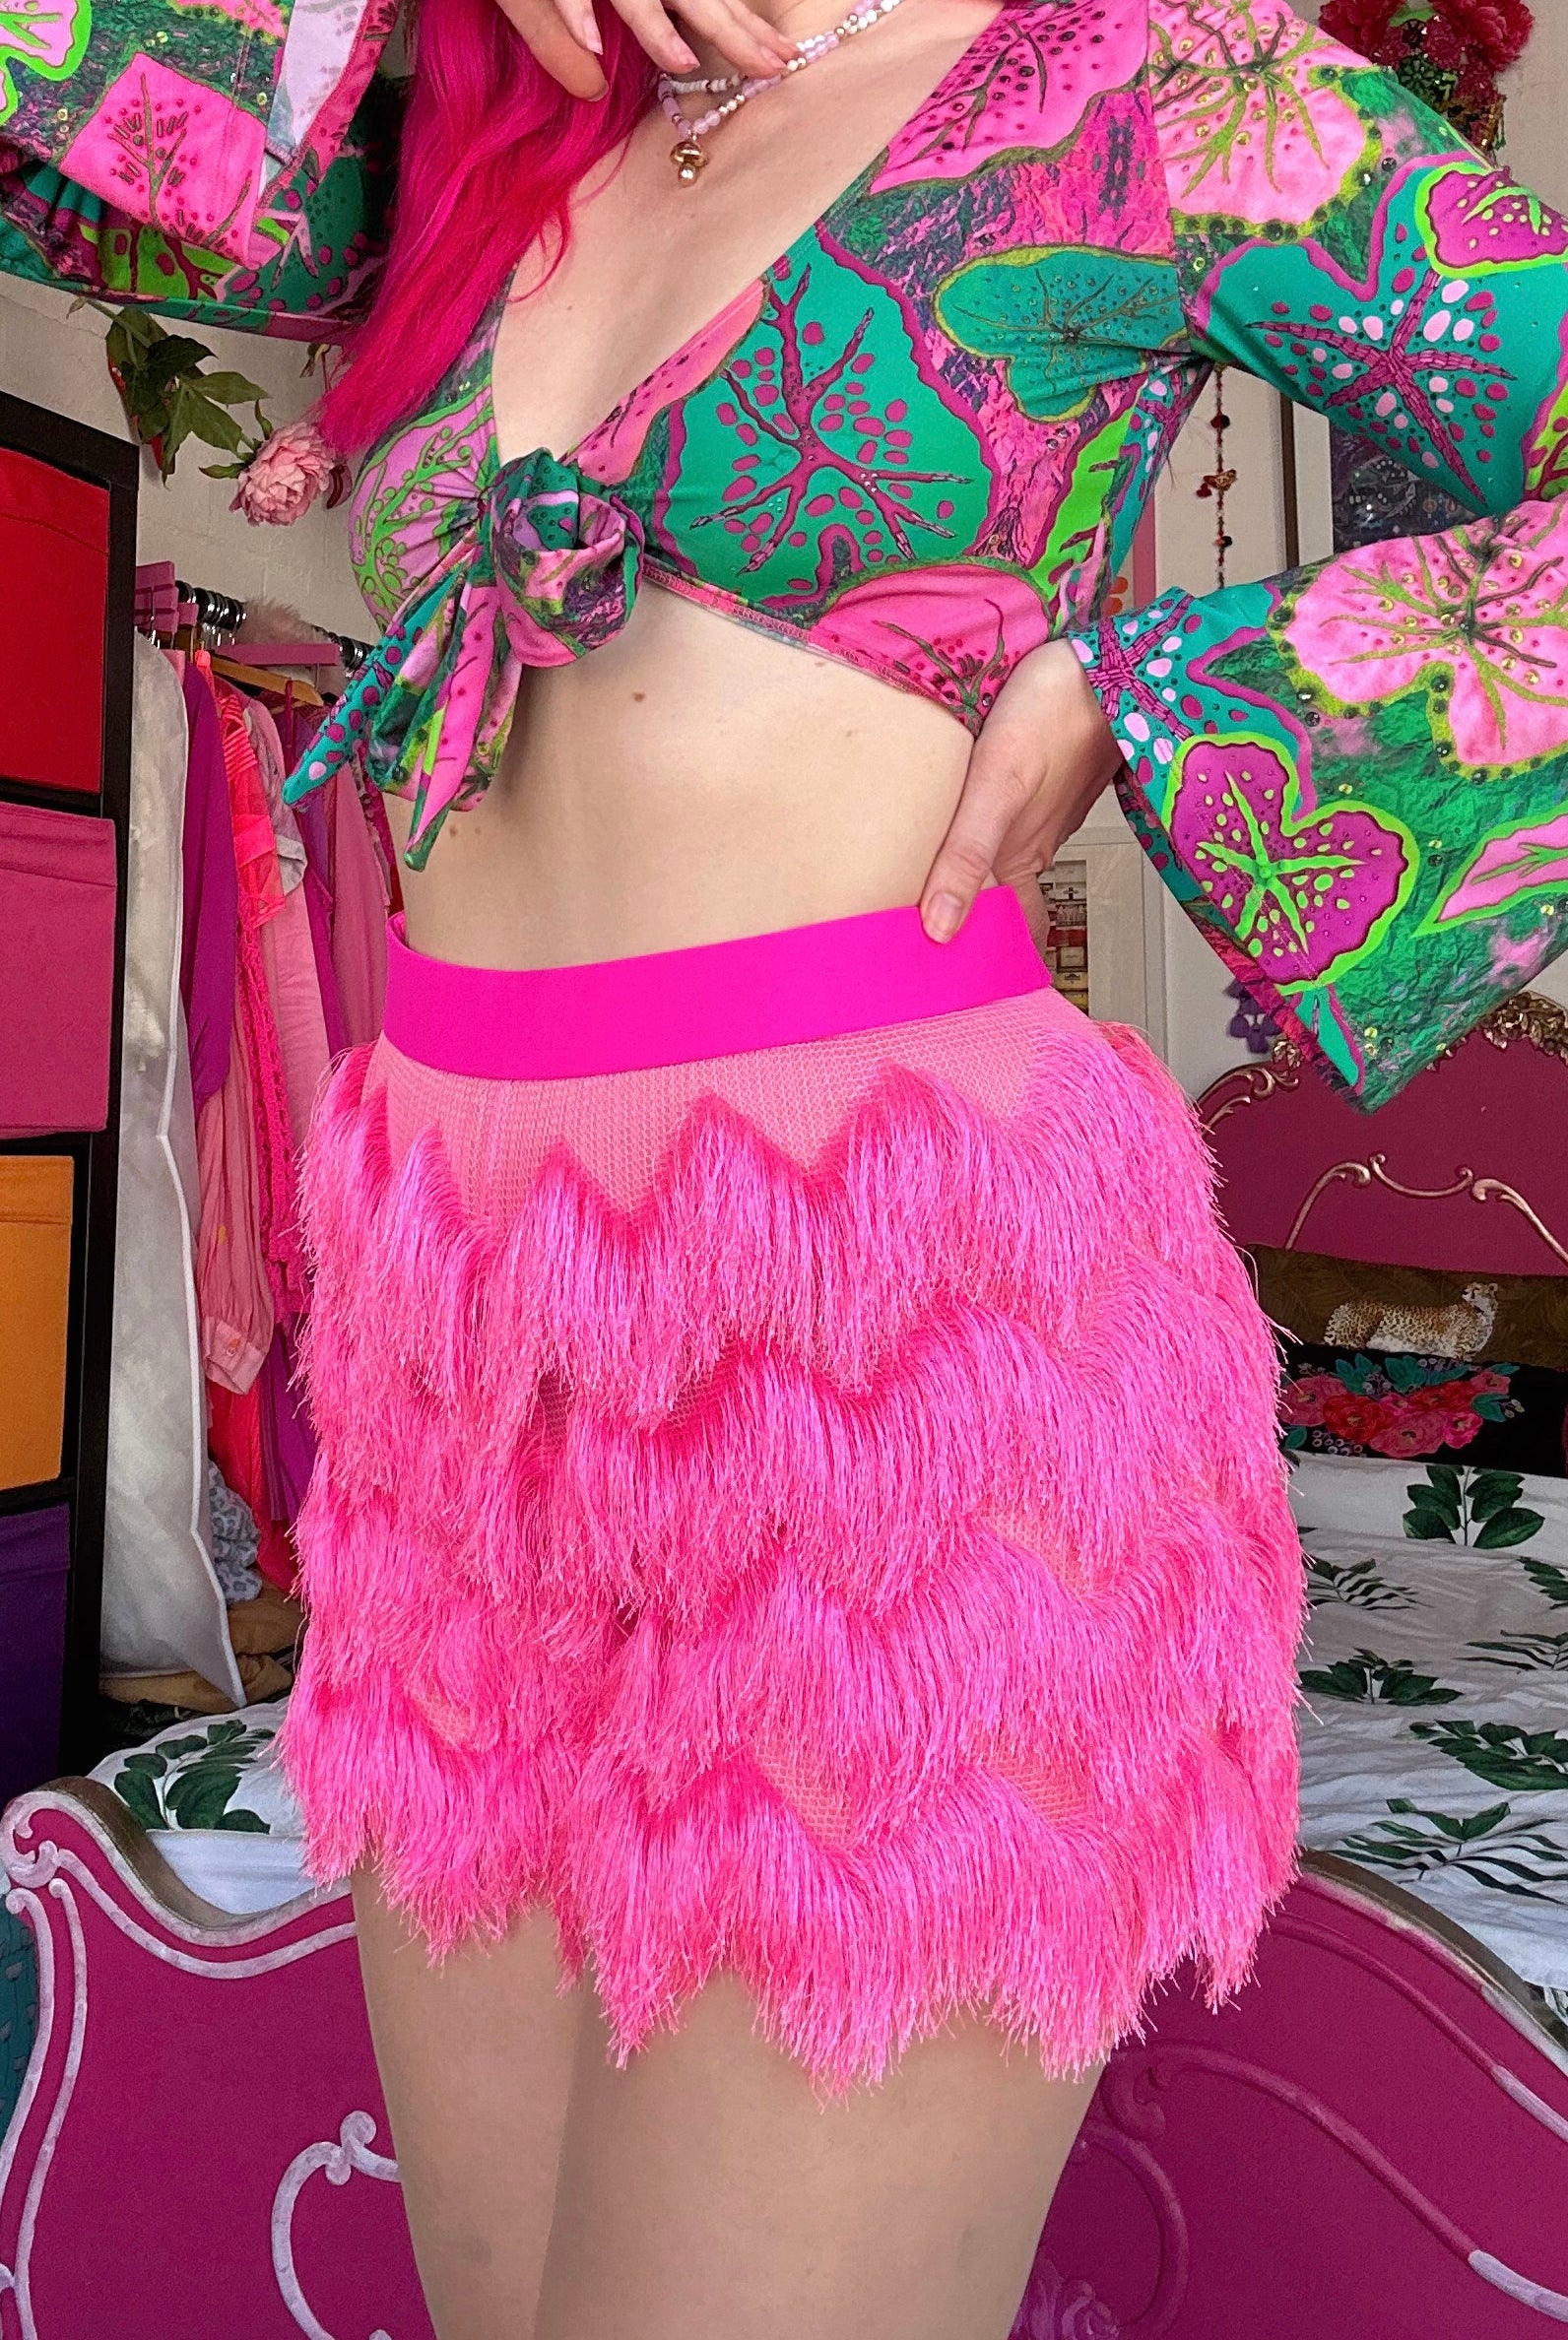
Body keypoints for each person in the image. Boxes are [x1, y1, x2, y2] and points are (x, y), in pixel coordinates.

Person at [8, 2, 1568, 2333]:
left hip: (896, 1350)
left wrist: (1163, 689)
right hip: (457, 1371)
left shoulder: (1152, 82)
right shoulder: (459, 136)